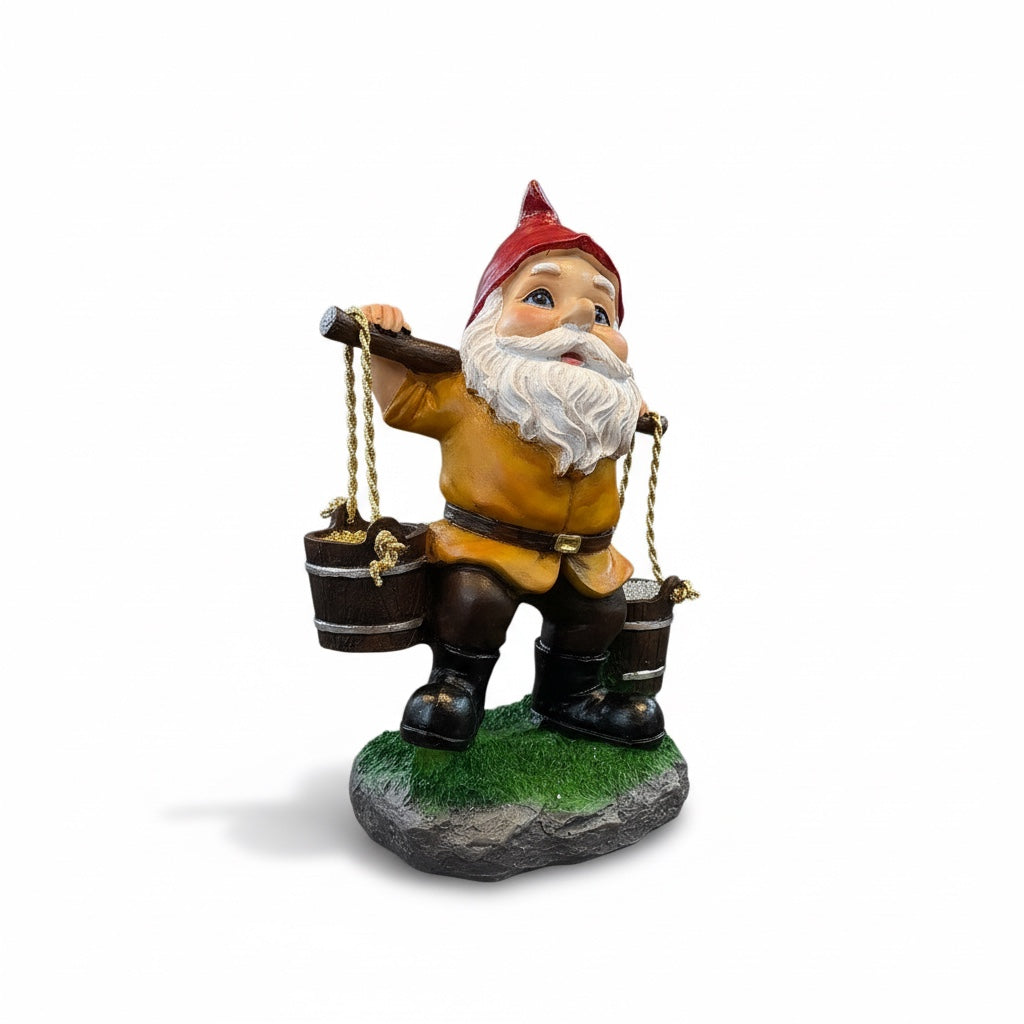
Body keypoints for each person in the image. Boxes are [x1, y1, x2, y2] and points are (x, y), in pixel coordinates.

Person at [361, 181, 664, 752]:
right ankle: (456, 687)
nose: (581, 317)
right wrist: (380, 341)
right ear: (489, 319)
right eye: (542, 297)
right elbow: (403, 402)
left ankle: (571, 697)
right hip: (488, 548)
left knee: (600, 613)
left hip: (585, 559)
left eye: (602, 311)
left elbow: (609, 409)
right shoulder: (469, 390)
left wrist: (626, 406)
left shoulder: (605, 408)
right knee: (474, 602)